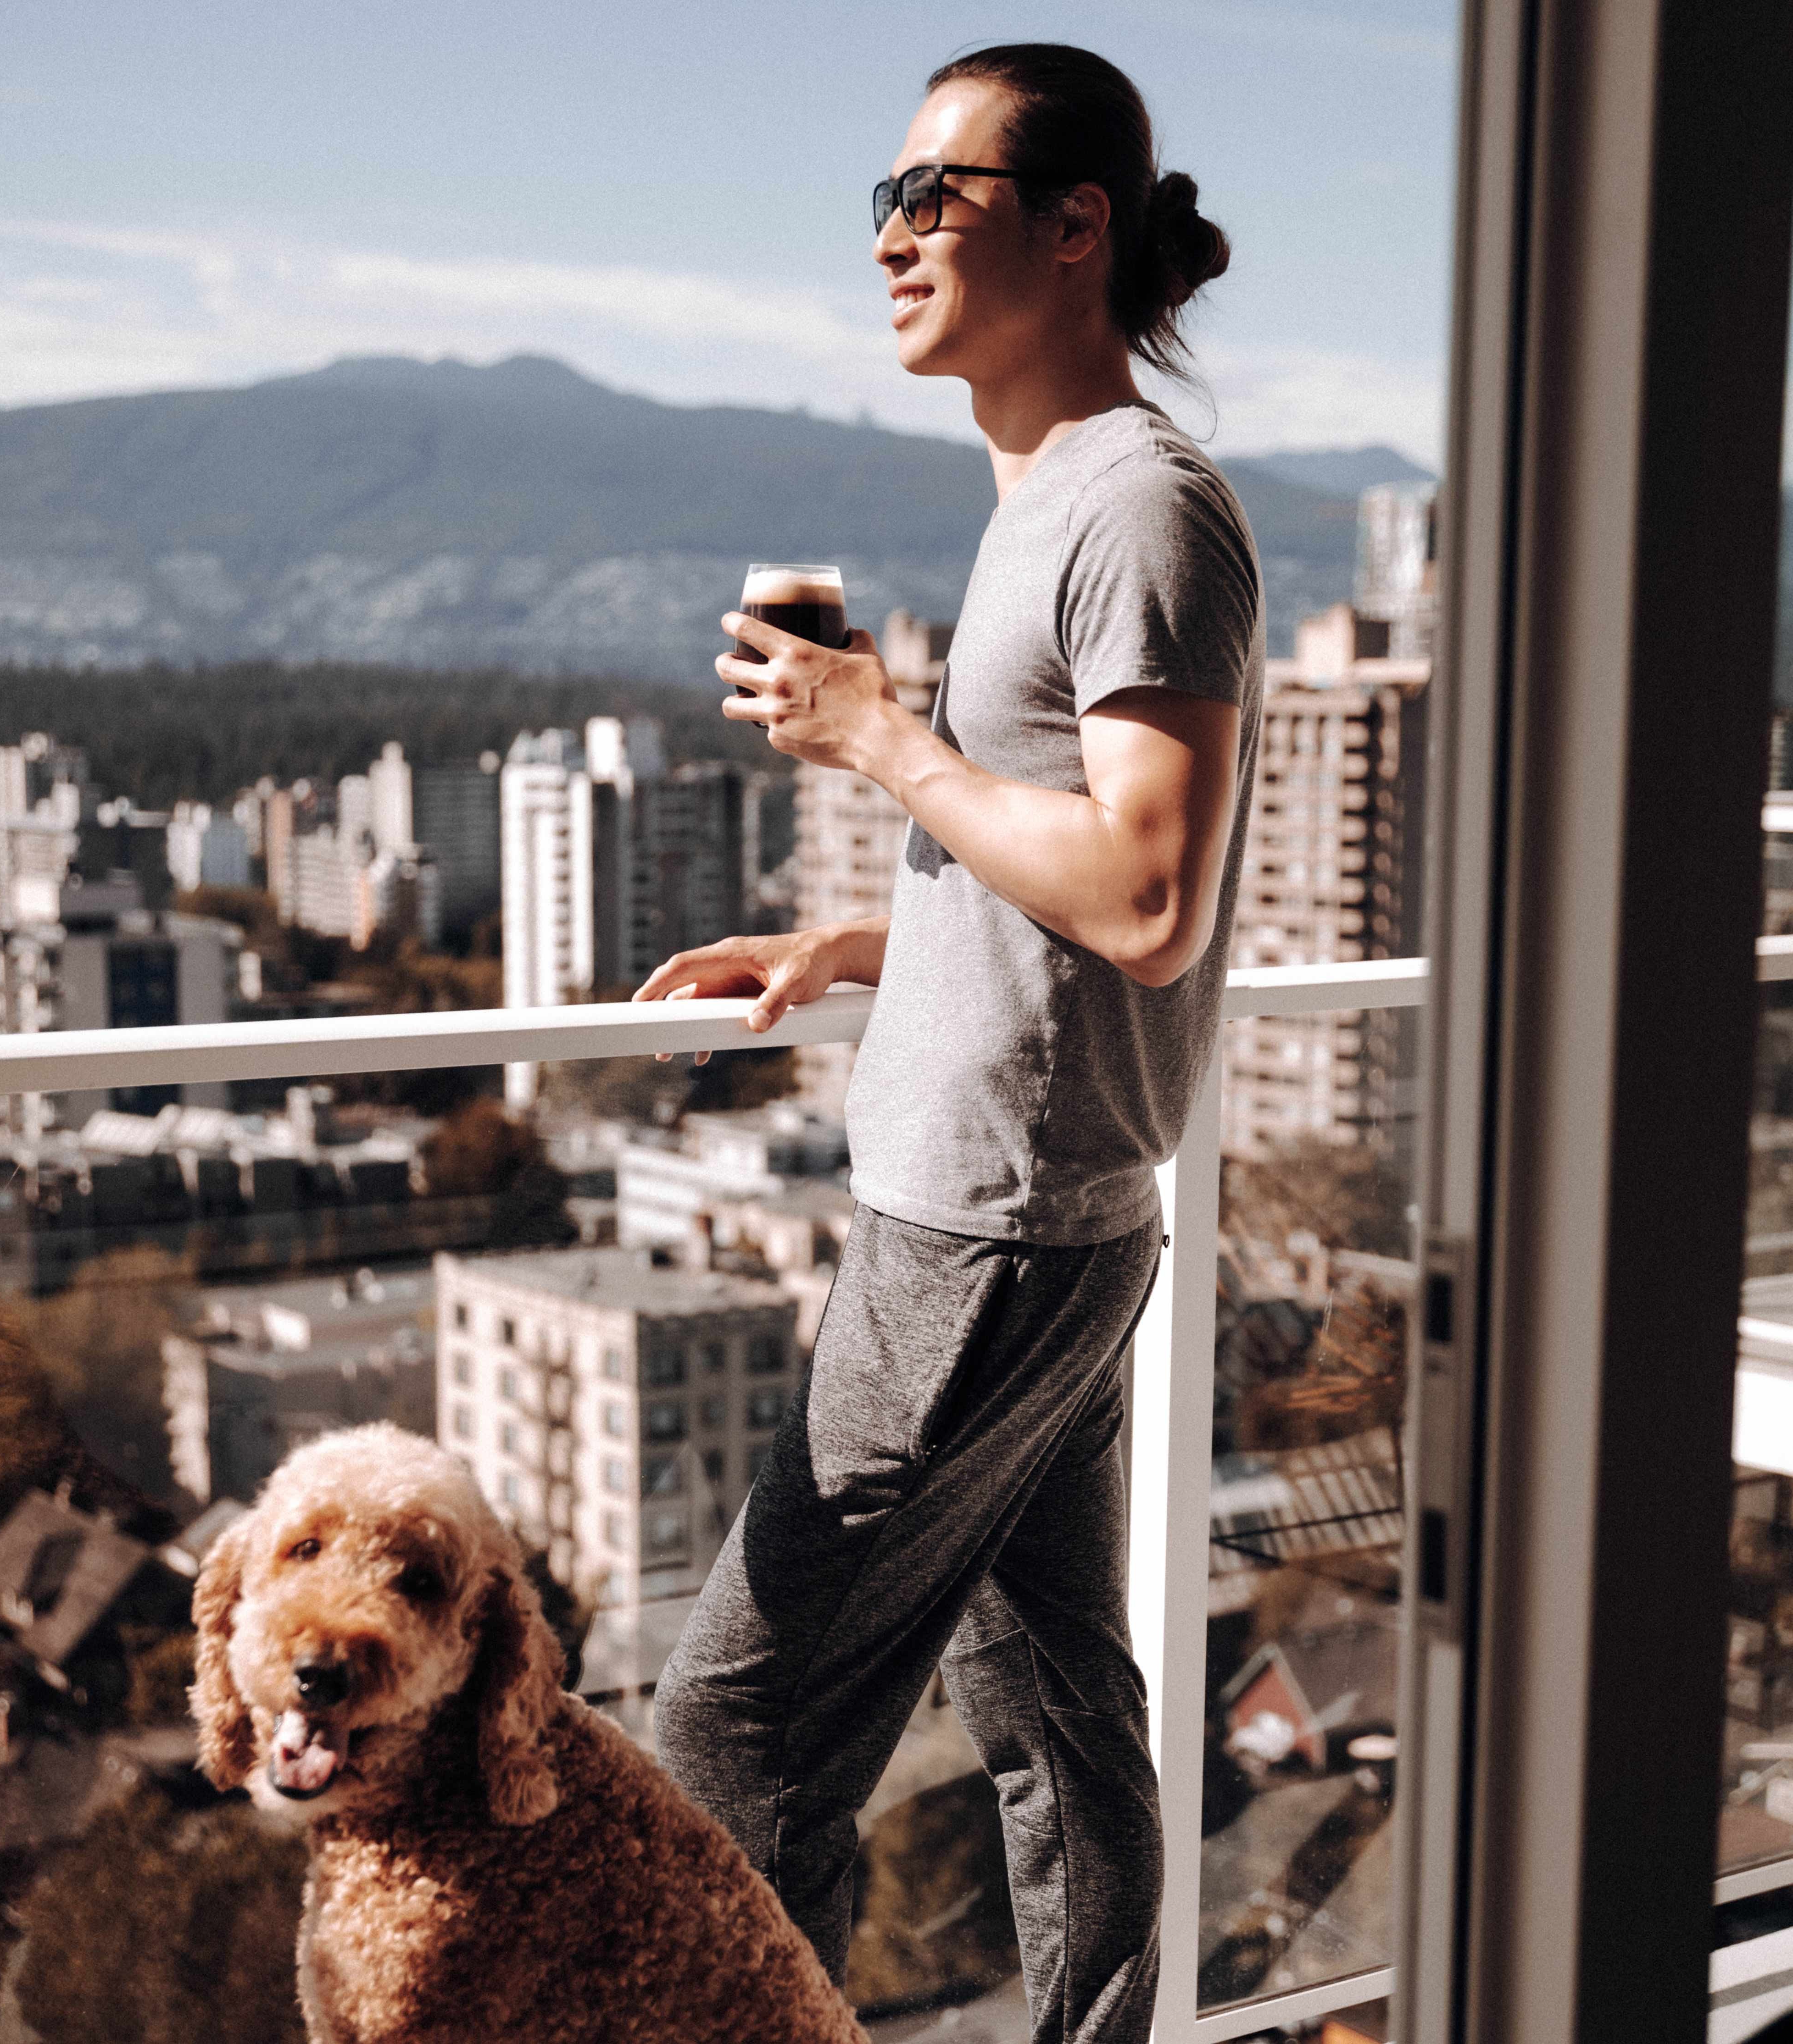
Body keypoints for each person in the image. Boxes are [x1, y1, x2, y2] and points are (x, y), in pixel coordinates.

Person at [642, 43, 1261, 2044]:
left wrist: (875, 738)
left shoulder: (1139, 507)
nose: (891, 236)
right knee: (1058, 1716)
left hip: (984, 1233)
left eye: (934, 194)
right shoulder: (1043, 500)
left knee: (727, 1741)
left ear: (1075, 226)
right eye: (881, 200)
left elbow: (1148, 896)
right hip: (1027, 1211)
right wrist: (855, 941)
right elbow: (1051, 861)